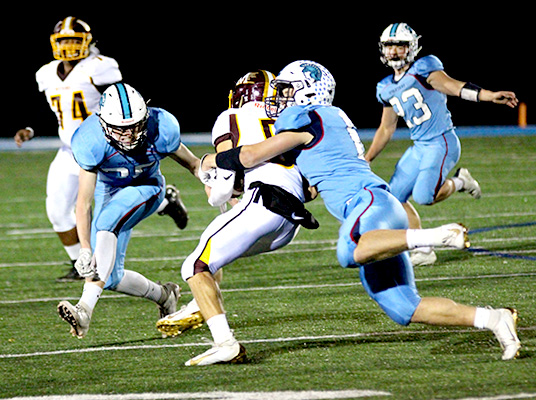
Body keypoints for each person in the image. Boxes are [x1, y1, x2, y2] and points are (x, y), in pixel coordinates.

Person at [199, 60, 521, 363]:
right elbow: (313, 185)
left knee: (349, 250)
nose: (279, 98)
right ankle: (494, 319)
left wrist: (208, 161)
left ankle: (436, 236)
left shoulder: (305, 118)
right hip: (377, 211)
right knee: (404, 308)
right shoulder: (328, 119)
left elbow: (250, 155)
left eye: (285, 90)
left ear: (306, 91)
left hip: (369, 205)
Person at [160, 70, 318, 365]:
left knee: (195, 265)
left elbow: (221, 190)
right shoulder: (289, 122)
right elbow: (310, 189)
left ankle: (225, 343)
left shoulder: (231, 116)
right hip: (291, 220)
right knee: (213, 253)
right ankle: (201, 303)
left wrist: (211, 181)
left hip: (263, 202)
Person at [14, 16, 188, 282]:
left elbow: (121, 99)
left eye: (75, 40)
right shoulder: (47, 73)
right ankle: (79, 262)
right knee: (58, 210)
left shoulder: (99, 67)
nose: (69, 46)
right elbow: (53, 107)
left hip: (104, 146)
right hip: (68, 150)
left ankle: (162, 200)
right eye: (64, 41)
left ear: (87, 41)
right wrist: (30, 128)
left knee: (108, 206)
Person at [365, 23, 519, 266]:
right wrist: (368, 158)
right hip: (419, 147)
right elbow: (387, 127)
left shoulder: (425, 68)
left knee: (425, 197)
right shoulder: (384, 87)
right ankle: (424, 250)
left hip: (441, 142)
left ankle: (460, 182)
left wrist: (488, 95)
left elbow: (452, 86)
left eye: (400, 45)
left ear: (412, 47)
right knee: (394, 197)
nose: (394, 51)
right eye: (390, 46)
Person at [57, 83, 200, 339]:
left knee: (106, 222)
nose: (129, 134)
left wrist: (214, 179)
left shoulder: (161, 126)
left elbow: (193, 164)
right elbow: (83, 203)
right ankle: (164, 295)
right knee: (110, 277)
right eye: (121, 129)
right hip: (108, 189)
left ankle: (84, 311)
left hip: (148, 187)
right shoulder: (89, 140)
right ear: (104, 124)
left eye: (135, 126)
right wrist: (85, 249)